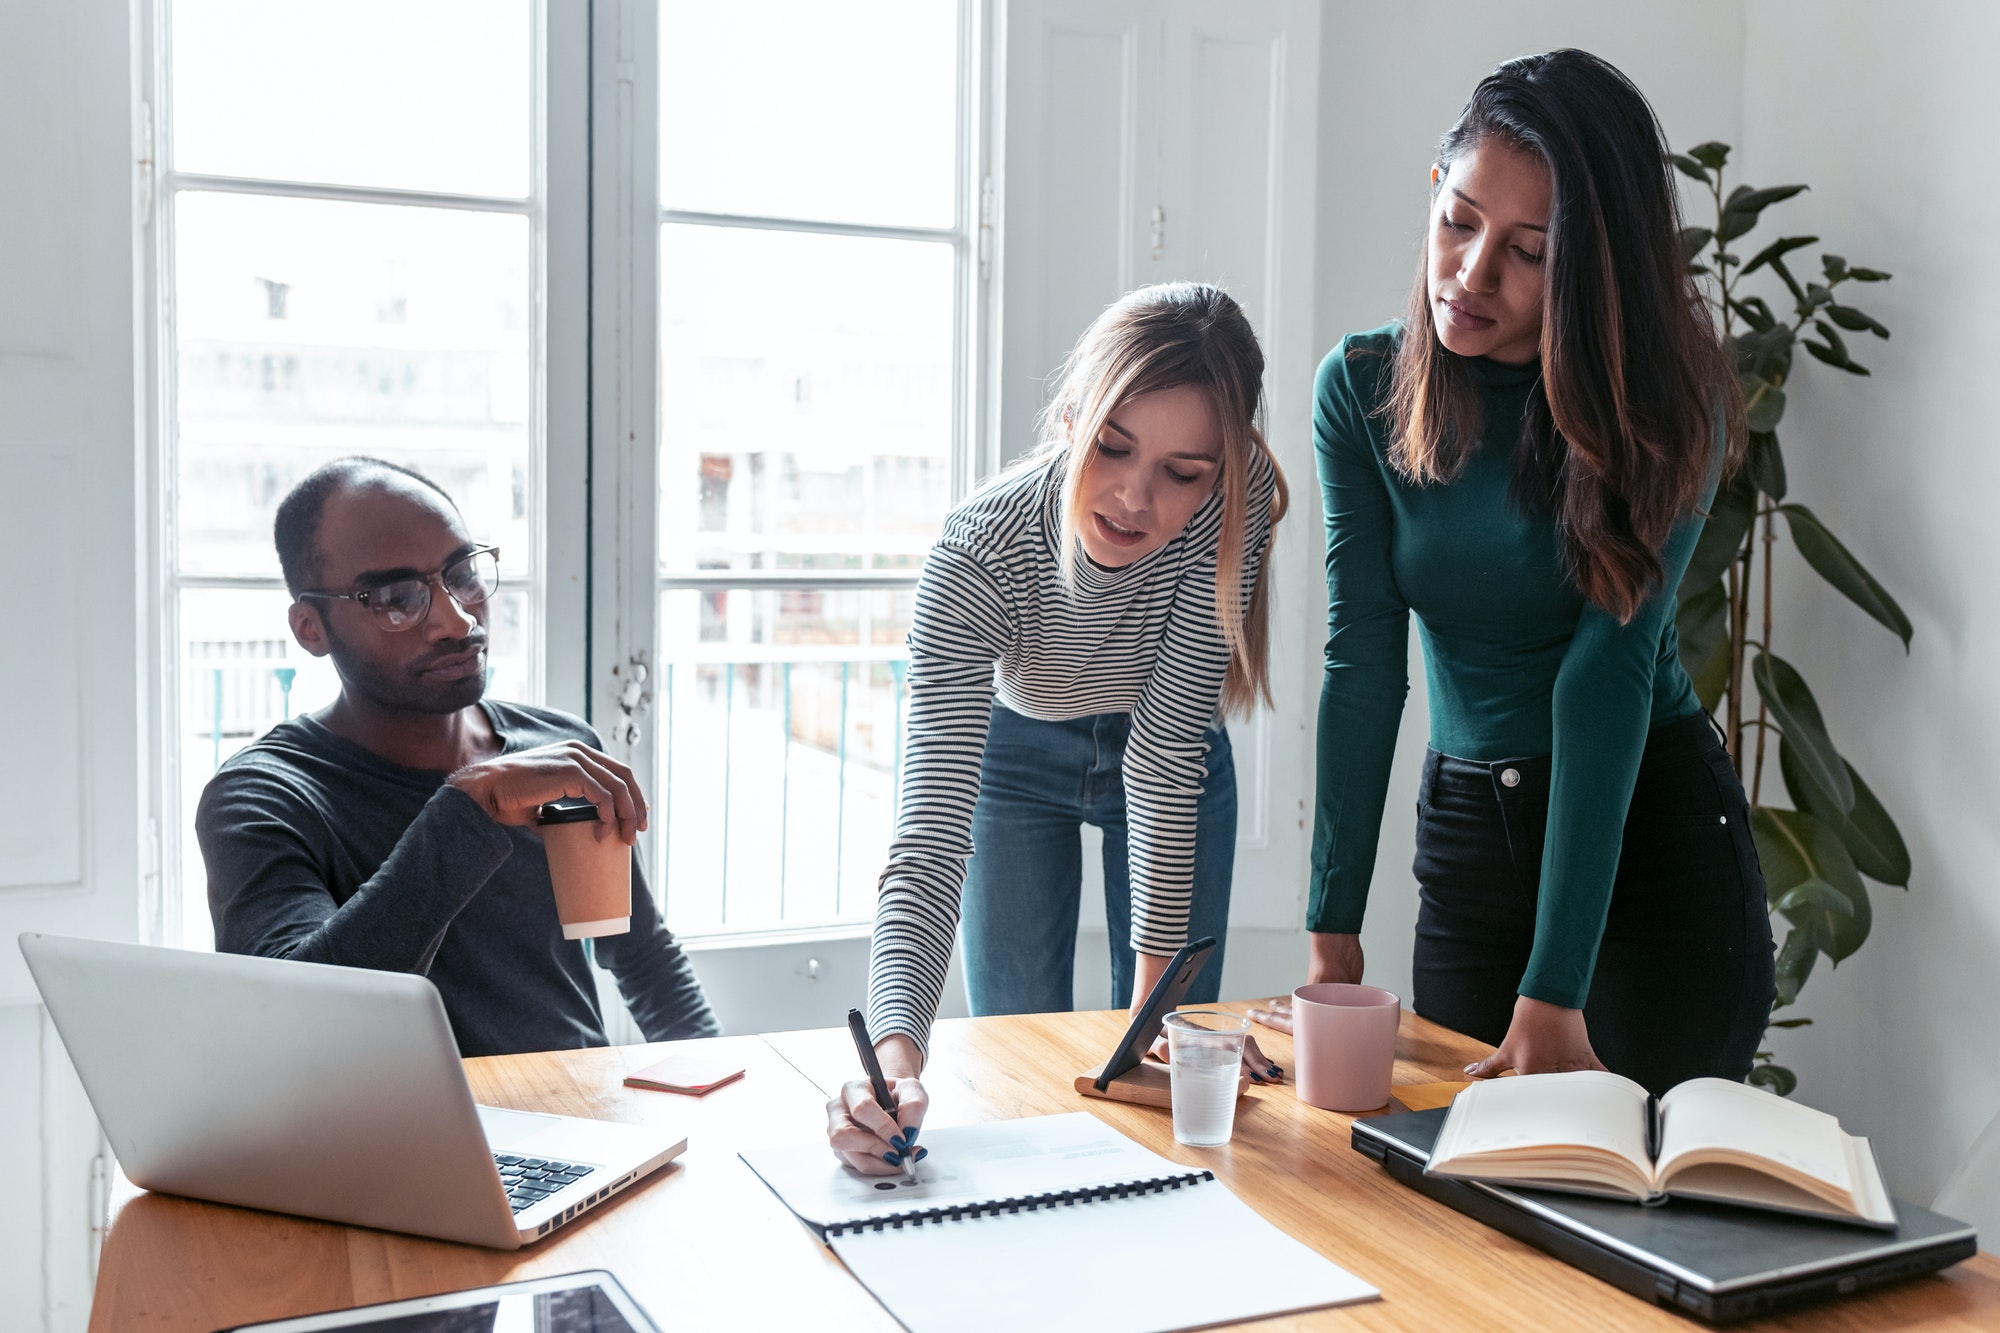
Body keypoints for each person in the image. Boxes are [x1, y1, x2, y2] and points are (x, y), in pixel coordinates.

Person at [1259, 50, 1775, 1095]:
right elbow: (1361, 664)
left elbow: (1604, 676)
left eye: (1527, 251)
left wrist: (1554, 987)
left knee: (1637, 1227)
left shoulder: (1669, 410)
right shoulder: (1358, 391)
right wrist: (1331, 938)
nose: (1469, 273)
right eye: (1457, 220)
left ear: (1590, 268)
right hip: (1465, 845)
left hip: (1645, 844)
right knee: (1463, 1216)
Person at [827, 283, 1289, 1173]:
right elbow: (928, 841)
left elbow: (1163, 756)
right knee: (1016, 1053)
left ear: (1222, 471)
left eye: (1183, 473)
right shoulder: (978, 554)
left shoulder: (1242, 499)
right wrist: (890, 1066)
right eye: (1113, 446)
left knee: (1167, 1081)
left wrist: (1159, 1025)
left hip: (1173, 744)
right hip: (1016, 752)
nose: (1132, 497)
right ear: (1071, 415)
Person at [198, 458, 719, 1057]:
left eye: (462, 573)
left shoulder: (558, 753)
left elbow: (641, 957)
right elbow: (300, 1029)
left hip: (588, 1129)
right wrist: (470, 807)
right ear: (311, 628)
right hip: (405, 1145)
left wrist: (726, 1103)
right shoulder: (265, 796)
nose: (458, 618)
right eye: (397, 598)